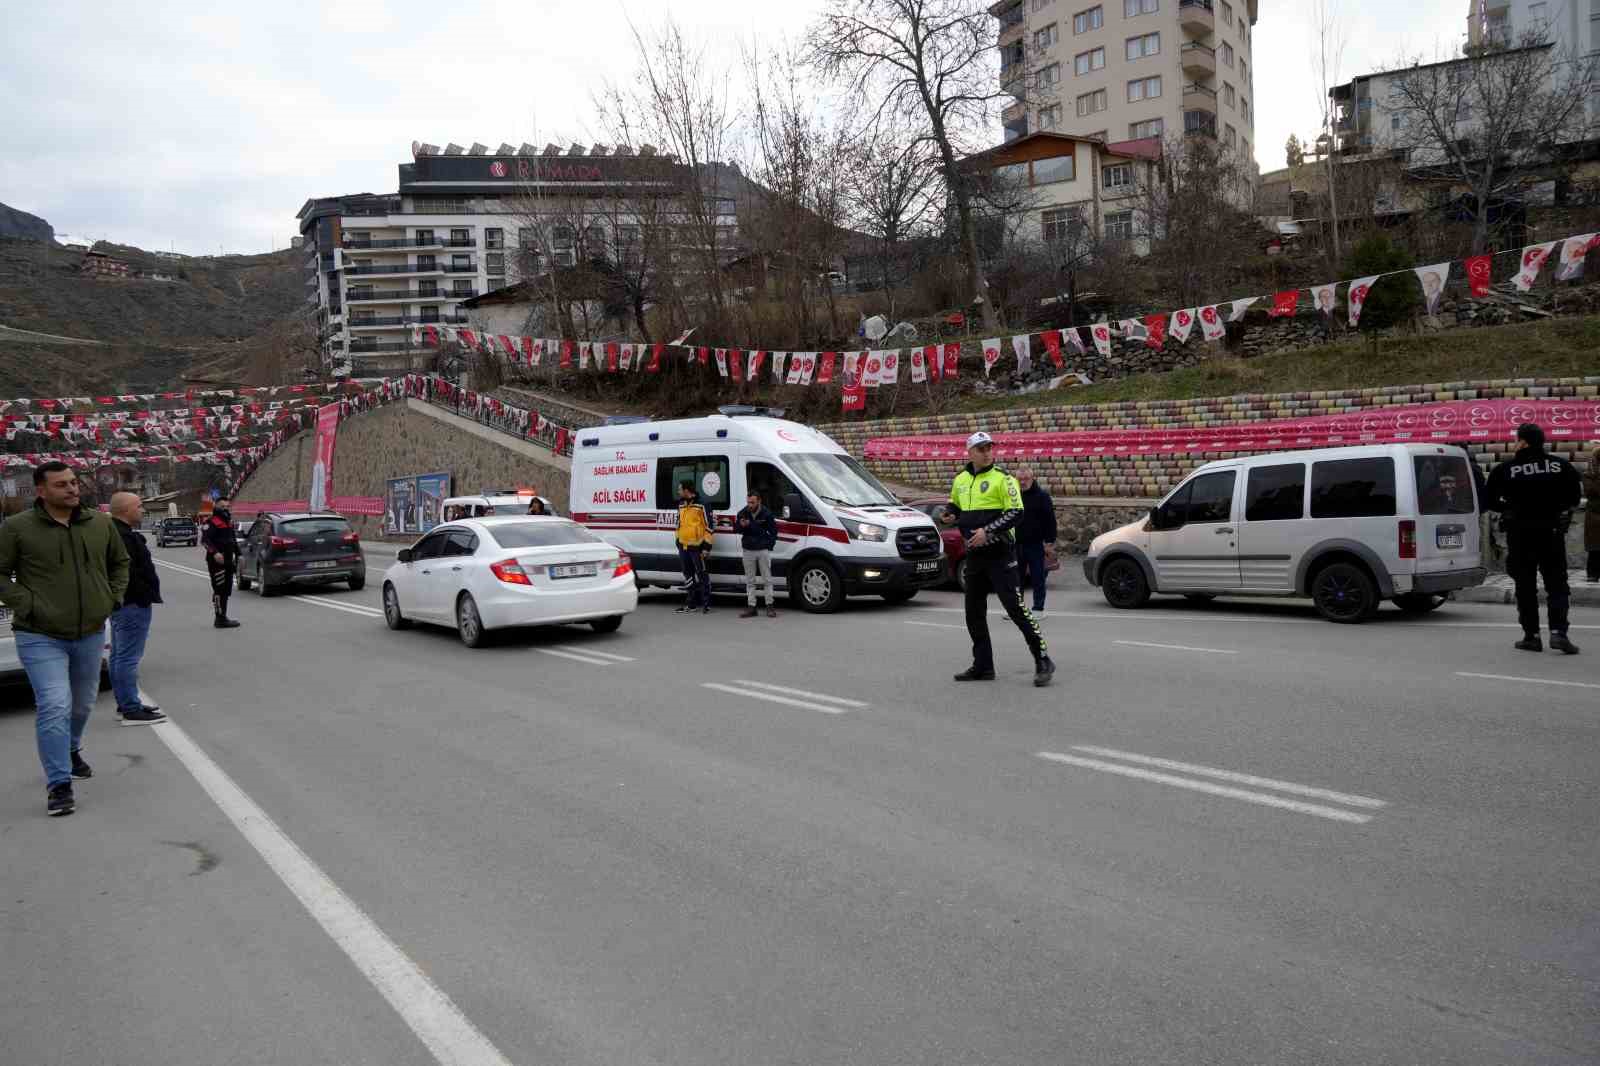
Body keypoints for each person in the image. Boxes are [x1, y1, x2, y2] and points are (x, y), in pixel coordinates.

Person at [0, 462, 130, 816]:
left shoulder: (100, 524)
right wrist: (26, 603)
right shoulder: (16, 528)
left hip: (89, 632)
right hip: (39, 634)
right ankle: (59, 784)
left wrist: (112, 597)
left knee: (82, 703)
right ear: (41, 491)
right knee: (54, 703)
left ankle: (70, 748)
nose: (72, 489)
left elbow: (120, 563)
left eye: (74, 483)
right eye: (62, 485)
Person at [941, 433, 1055, 687]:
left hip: (1000, 554)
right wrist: (950, 514)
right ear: (969, 452)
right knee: (973, 612)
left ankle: (1043, 659)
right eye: (981, 449)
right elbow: (955, 505)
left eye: (989, 448)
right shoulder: (960, 479)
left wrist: (988, 531)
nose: (987, 452)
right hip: (974, 556)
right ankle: (983, 666)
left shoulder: (1003, 478)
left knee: (1015, 609)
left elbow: (1016, 512)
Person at [1485, 423, 1583, 654]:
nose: (1514, 442)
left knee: (1525, 586)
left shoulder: (1505, 469)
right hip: (1551, 534)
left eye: (1516, 439)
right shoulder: (1561, 466)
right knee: (1557, 585)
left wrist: (1509, 507)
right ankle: (1559, 633)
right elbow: (1574, 499)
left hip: (1520, 535)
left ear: (1524, 442)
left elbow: (1488, 501)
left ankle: (1532, 636)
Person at [109, 492, 167, 727]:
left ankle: (126, 702)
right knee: (127, 658)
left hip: (127, 603)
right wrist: (143, 592)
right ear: (125, 510)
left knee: (119, 656)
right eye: (139, 506)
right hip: (132, 603)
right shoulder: (122, 537)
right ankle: (131, 709)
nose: (143, 510)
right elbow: (128, 573)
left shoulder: (118, 533)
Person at [1014, 468, 1058, 616]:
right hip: (1016, 544)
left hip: (1036, 544)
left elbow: (1050, 521)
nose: (1022, 482)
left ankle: (1038, 608)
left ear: (1033, 478)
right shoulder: (1013, 497)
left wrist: (1050, 542)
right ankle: (1017, 609)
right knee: (1015, 579)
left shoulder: (1042, 496)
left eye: (1026, 478)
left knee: (1037, 578)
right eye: (1020, 479)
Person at [735, 489, 779, 619]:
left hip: (762, 550)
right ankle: (751, 607)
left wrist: (768, 546)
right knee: (750, 580)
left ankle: (770, 606)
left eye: (752, 502)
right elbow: (735, 529)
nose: (750, 505)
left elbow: (774, 533)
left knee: (767, 579)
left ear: (759, 501)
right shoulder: (743, 513)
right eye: (748, 502)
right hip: (748, 550)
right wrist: (741, 526)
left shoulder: (767, 514)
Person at [674, 480, 714, 614]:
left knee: (702, 574)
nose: (678, 492)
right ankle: (691, 604)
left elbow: (709, 527)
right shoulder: (681, 504)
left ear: (687, 490)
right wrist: (677, 540)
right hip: (683, 546)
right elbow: (678, 523)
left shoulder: (702, 504)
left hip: (698, 548)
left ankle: (706, 604)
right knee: (688, 575)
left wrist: (706, 547)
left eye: (680, 489)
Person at [201, 497, 241, 629]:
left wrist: (240, 555)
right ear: (216, 506)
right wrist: (215, 552)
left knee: (227, 589)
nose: (225, 509)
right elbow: (205, 541)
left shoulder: (228, 522)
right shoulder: (211, 522)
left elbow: (233, 541)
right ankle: (219, 618)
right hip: (216, 562)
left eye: (227, 507)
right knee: (219, 589)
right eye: (222, 506)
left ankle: (223, 616)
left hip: (228, 560)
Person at [1585, 445, 1599, 583]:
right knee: (1595, 547)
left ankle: (1593, 574)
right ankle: (1593, 574)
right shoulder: (1590, 473)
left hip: (1594, 512)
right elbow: (1590, 491)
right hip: (1595, 513)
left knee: (1594, 547)